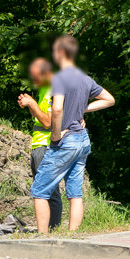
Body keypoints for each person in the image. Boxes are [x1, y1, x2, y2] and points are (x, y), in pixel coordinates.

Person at [30, 35, 115, 233]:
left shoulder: (60, 78)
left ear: (60, 52)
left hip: (65, 140)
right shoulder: (85, 79)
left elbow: (57, 109)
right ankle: (73, 235)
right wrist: (83, 110)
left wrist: (55, 135)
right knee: (75, 193)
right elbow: (109, 100)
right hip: (83, 141)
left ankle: (42, 237)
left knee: (40, 190)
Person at [17, 58, 62, 230]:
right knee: (43, 190)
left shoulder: (54, 90)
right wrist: (30, 104)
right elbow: (39, 116)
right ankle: (48, 229)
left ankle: (52, 229)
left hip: (46, 147)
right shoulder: (44, 89)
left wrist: (32, 103)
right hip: (38, 147)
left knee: (48, 192)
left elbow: (48, 122)